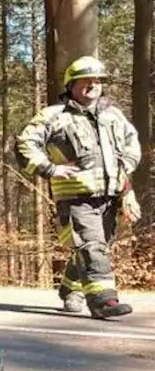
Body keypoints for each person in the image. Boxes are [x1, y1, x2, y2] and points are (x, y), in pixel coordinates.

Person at [16, 55, 142, 319]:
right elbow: (24, 144)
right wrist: (51, 168)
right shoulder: (54, 116)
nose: (92, 85)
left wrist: (125, 181)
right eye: (85, 80)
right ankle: (104, 302)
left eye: (97, 80)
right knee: (90, 245)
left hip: (110, 196)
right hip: (75, 198)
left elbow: (132, 145)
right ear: (71, 84)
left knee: (94, 246)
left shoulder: (113, 116)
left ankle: (69, 289)